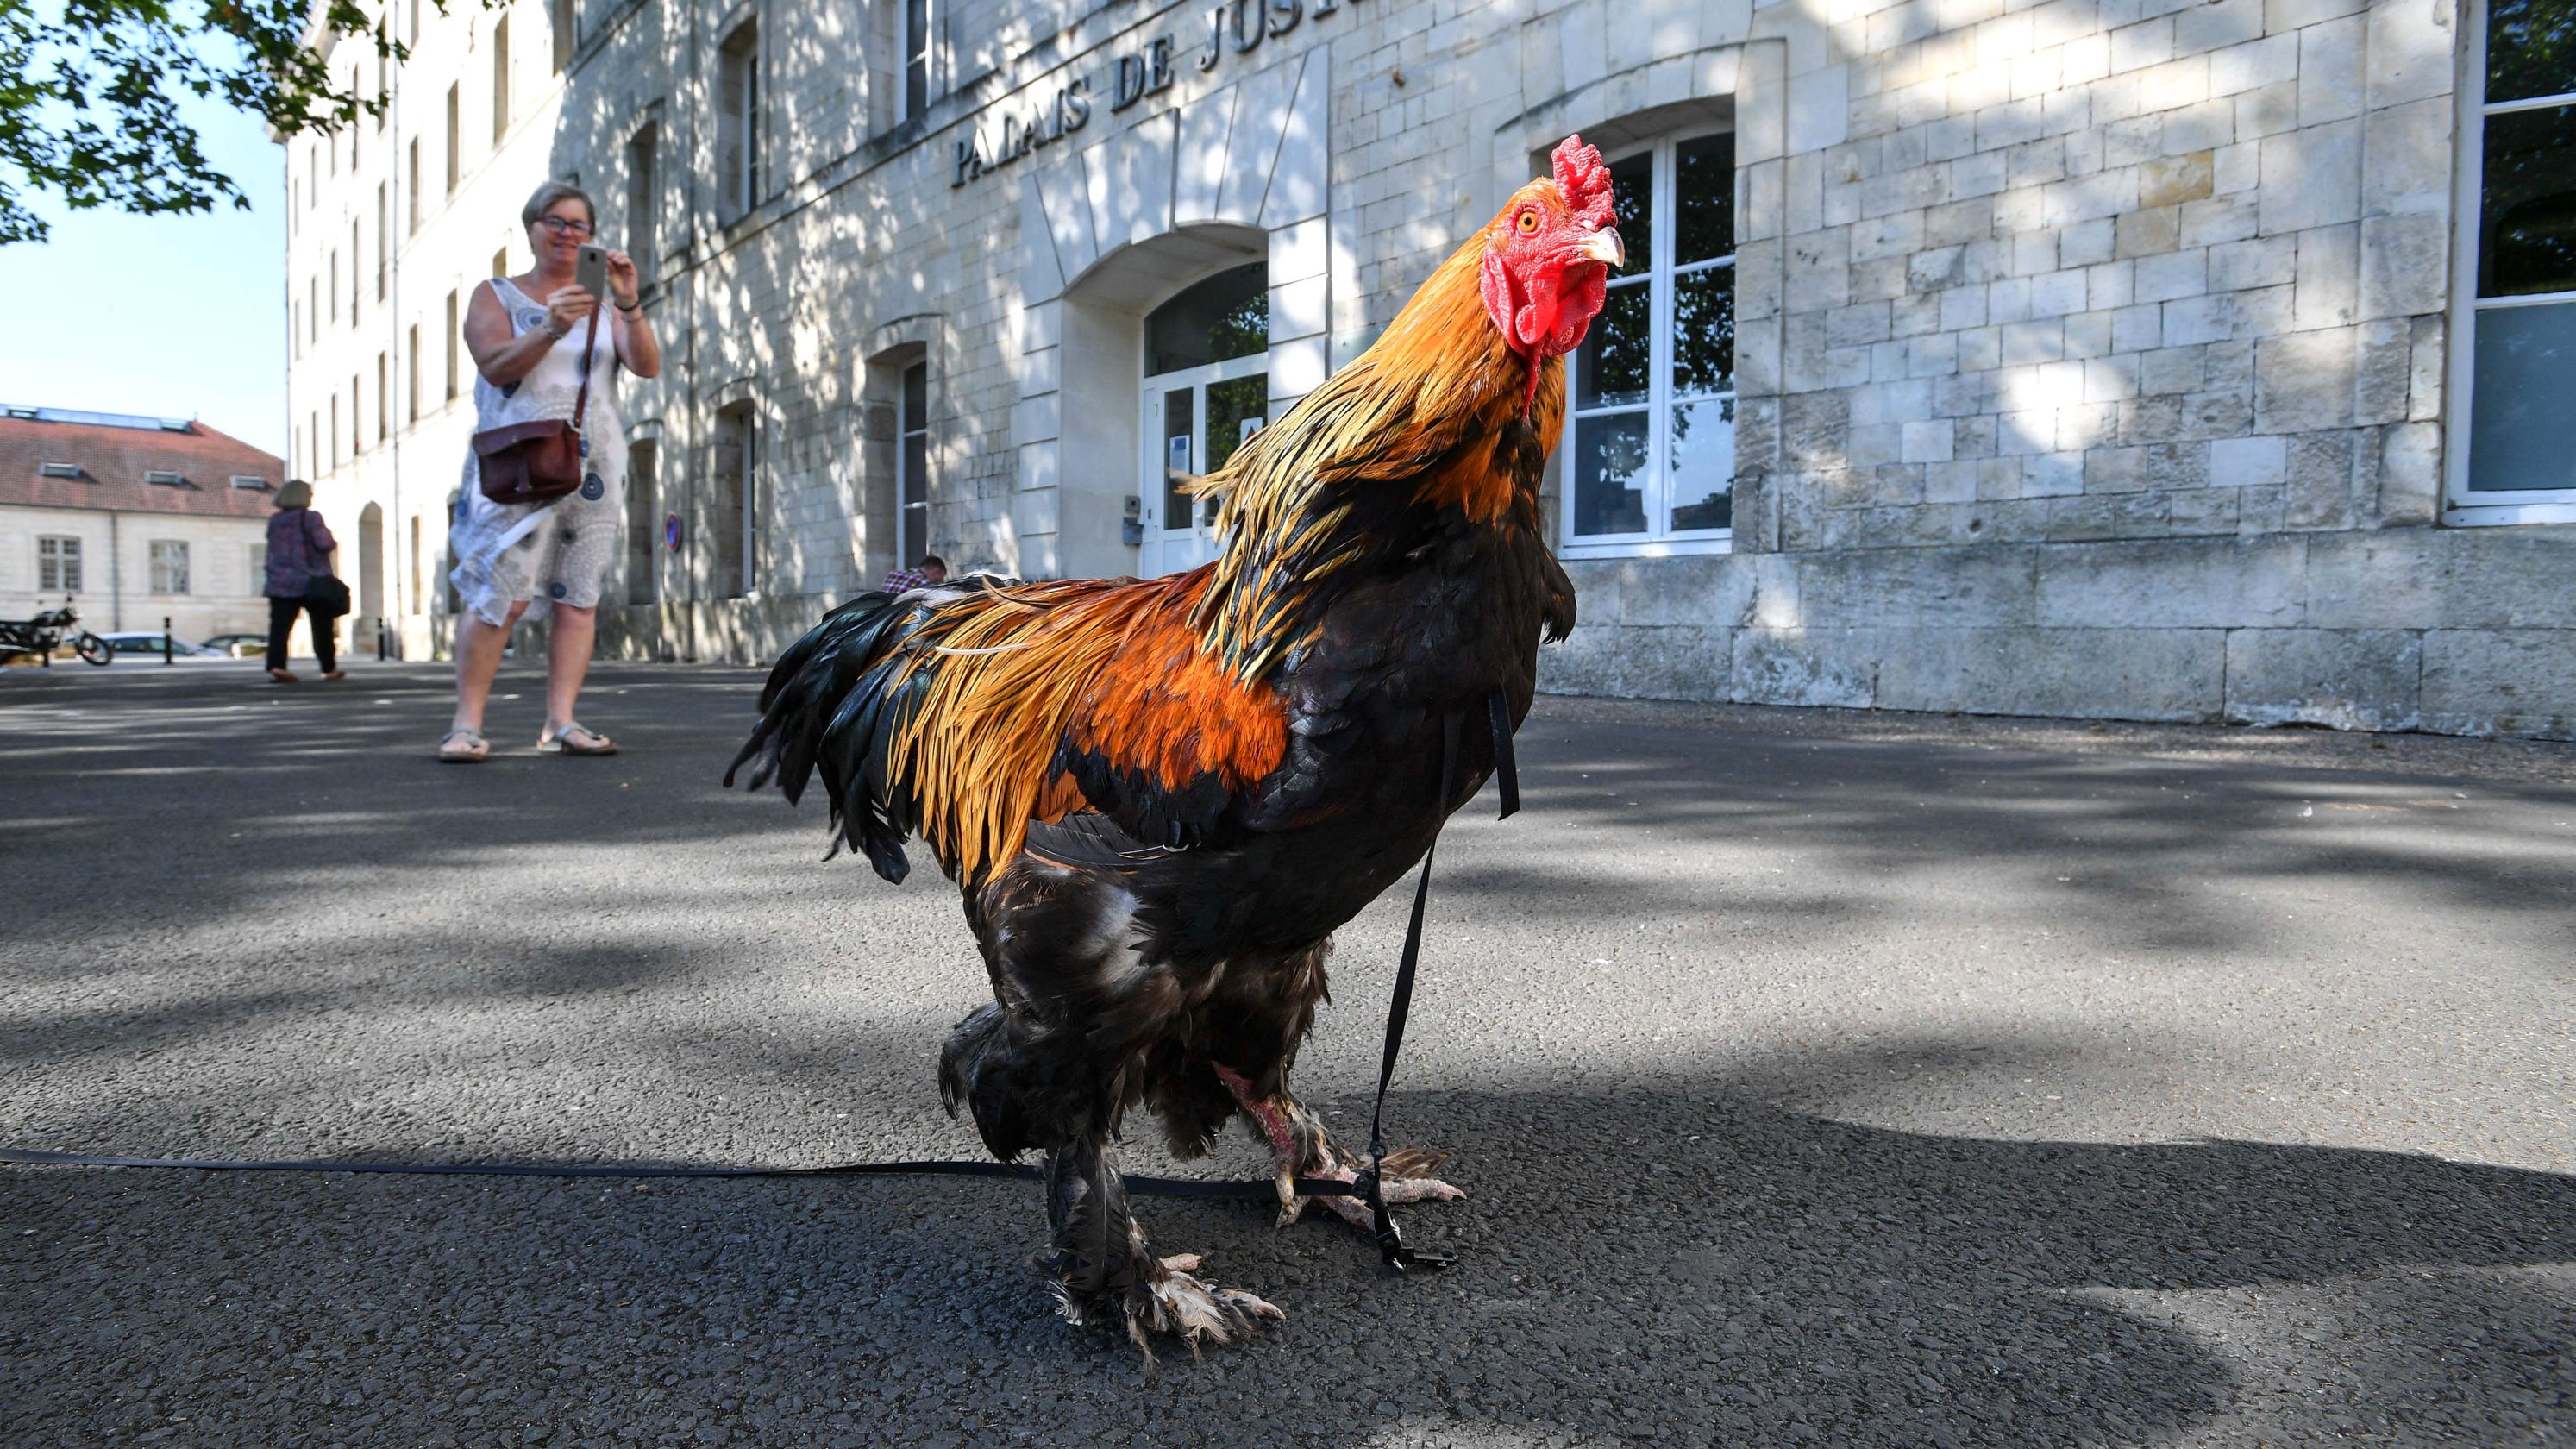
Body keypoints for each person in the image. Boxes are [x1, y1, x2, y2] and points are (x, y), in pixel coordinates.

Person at [440, 179, 661, 763]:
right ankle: (465, 725)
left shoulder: (605, 307)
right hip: (519, 462)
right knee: (500, 593)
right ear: (532, 226)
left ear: (590, 236)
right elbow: (495, 367)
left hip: (594, 465)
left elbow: (646, 366)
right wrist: (550, 326)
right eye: (554, 222)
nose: (567, 234)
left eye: (578, 225)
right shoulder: (497, 295)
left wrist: (630, 302)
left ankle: (560, 722)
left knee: (578, 596)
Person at [262, 480, 344, 684]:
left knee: (279, 628)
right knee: (322, 626)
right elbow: (324, 543)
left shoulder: (275, 521)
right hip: (312, 580)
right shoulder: (311, 518)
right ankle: (328, 668)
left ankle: (277, 666)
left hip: (280, 582)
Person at [880, 554, 948, 593]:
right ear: (936, 571)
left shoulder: (892, 574)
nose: (939, 582)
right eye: (940, 580)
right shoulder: (924, 584)